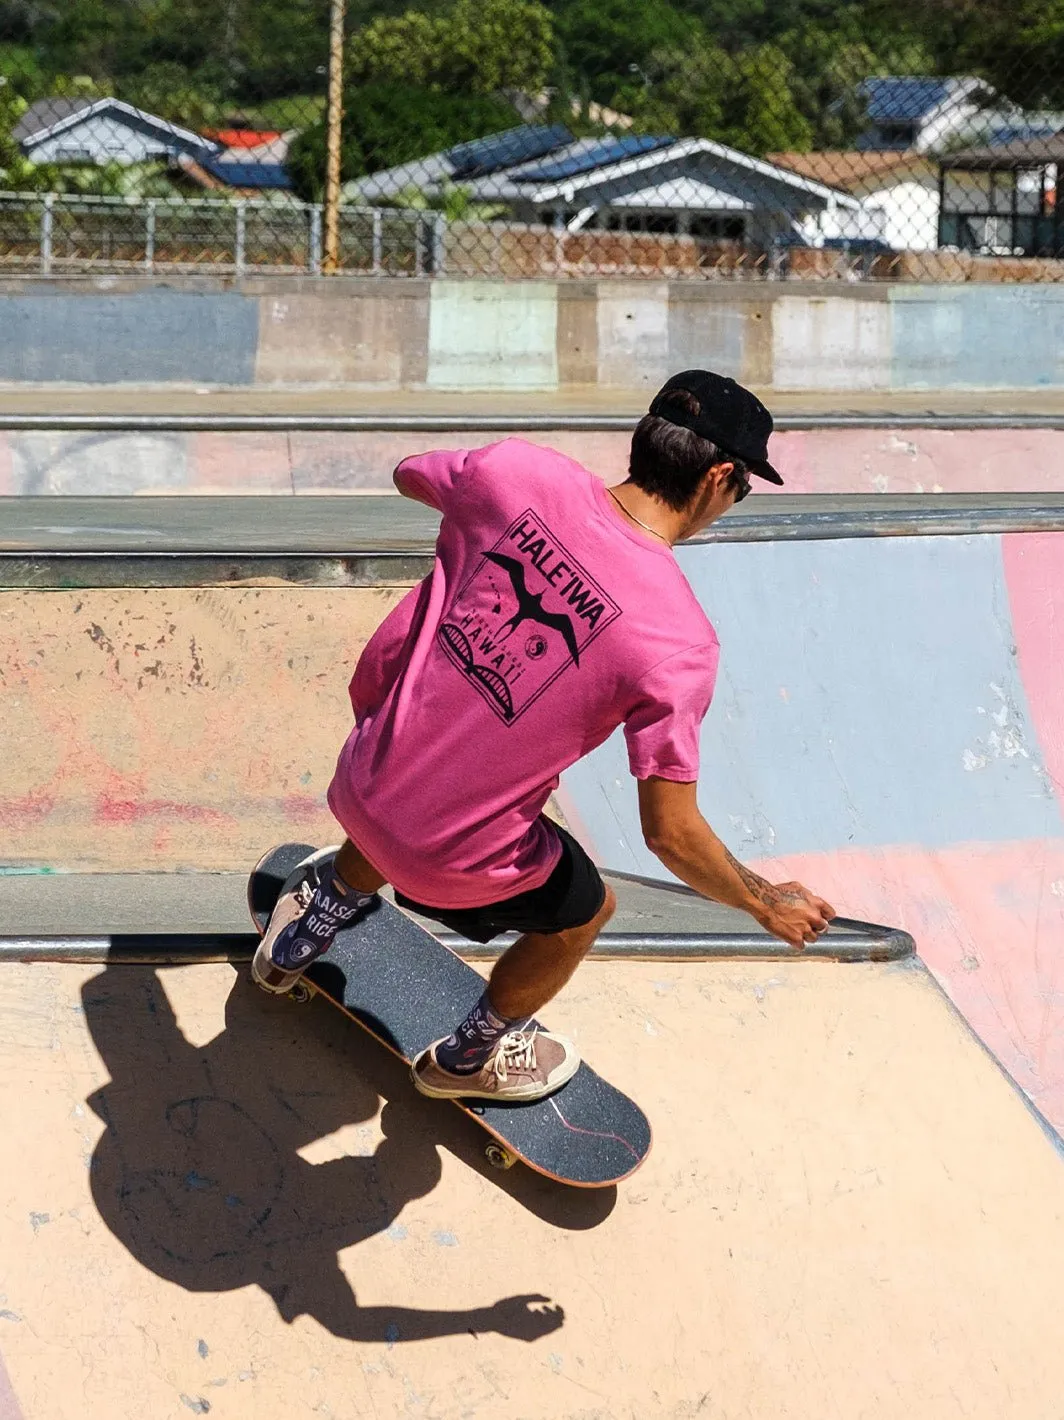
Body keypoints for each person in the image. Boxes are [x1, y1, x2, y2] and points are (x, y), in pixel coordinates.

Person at [252, 370, 835, 1101]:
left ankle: (309, 927)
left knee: (427, 770)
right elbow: (671, 835)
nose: (734, 502)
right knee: (585, 915)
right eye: (743, 488)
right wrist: (760, 899)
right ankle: (467, 1060)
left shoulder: (514, 473)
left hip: (363, 779)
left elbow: (409, 475)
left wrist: (481, 527)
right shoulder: (679, 641)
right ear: (719, 476)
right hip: (456, 866)